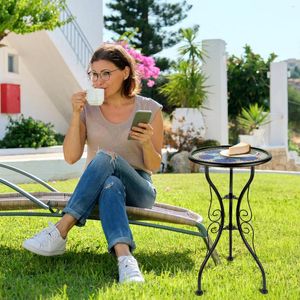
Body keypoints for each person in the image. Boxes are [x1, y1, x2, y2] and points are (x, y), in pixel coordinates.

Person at [23, 43, 164, 284]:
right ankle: (125, 261)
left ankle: (60, 229)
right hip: (102, 188)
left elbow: (154, 166)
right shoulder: (88, 108)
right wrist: (76, 114)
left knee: (104, 156)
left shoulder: (148, 108)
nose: (98, 81)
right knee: (110, 184)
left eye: (106, 73)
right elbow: (71, 157)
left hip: (140, 188)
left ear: (125, 73)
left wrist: (146, 142)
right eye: (94, 74)